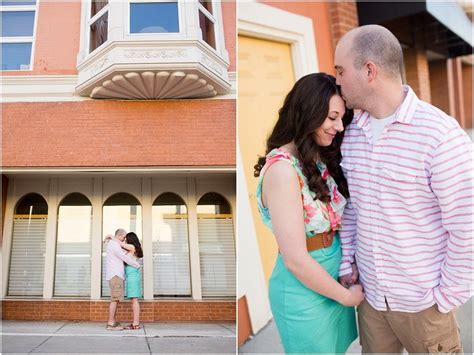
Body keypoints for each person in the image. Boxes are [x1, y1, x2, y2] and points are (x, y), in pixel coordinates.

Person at [334, 24, 473, 353]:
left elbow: (467, 226)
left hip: (425, 307)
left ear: (369, 70)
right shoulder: (350, 135)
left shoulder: (439, 135)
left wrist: (445, 298)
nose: (337, 81)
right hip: (371, 303)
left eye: (341, 71)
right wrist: (348, 262)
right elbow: (352, 207)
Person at [254, 73, 365, 353]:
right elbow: (295, 259)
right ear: (308, 113)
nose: (339, 127)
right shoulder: (282, 170)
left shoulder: (314, 159)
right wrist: (346, 297)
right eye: (332, 118)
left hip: (332, 280)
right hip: (304, 292)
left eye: (342, 118)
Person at [105, 228, 140, 331]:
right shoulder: (114, 245)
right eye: (124, 238)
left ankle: (113, 322)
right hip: (116, 275)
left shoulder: (117, 245)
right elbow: (125, 258)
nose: (124, 240)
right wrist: (137, 264)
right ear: (119, 236)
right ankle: (111, 324)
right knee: (115, 299)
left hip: (119, 275)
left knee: (116, 299)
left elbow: (125, 254)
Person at [118, 232, 143, 330]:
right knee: (134, 300)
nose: (124, 240)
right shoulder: (131, 249)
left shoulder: (132, 247)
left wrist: (111, 237)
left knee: (134, 300)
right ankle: (135, 324)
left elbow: (121, 245)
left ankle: (135, 324)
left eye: (125, 238)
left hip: (133, 276)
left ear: (130, 239)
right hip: (132, 275)